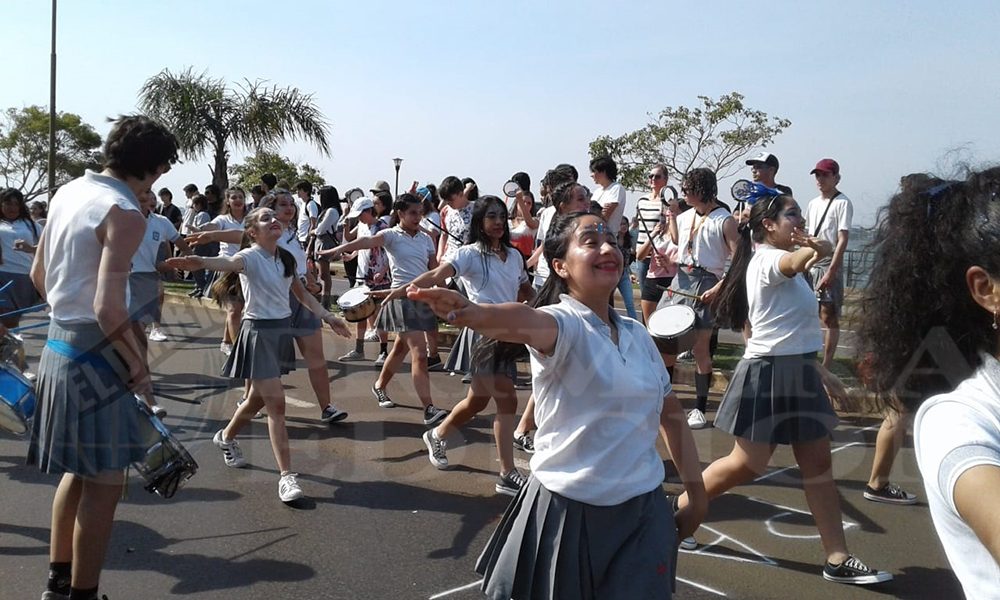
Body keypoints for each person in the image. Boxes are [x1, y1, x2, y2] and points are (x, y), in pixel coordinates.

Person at [408, 211, 707, 599]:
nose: (607, 249)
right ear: (560, 266)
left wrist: (697, 495)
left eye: (612, 241)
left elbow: (671, 415)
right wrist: (475, 313)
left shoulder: (637, 334)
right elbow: (522, 319)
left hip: (644, 510)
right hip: (567, 512)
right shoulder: (561, 324)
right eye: (590, 241)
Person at [681, 190, 892, 586]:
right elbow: (794, 262)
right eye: (791, 214)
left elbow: (792, 331)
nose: (799, 220)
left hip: (797, 372)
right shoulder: (767, 261)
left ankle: (837, 557)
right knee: (746, 464)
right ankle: (675, 515)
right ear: (768, 225)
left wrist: (819, 371)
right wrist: (820, 249)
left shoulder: (785, 265)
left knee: (818, 466)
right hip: (767, 374)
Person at [27, 114, 178, 600]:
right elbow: (108, 308)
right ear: (154, 166)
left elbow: (37, 275)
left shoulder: (68, 192)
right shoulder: (125, 211)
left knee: (78, 471)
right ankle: (83, 594)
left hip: (57, 345)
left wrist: (66, 310)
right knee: (106, 483)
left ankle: (58, 582)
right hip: (96, 354)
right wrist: (137, 365)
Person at [854, 170, 1000, 597]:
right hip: (942, 365)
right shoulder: (961, 424)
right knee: (898, 414)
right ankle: (877, 481)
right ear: (985, 288)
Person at [166, 207, 351, 502]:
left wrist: (328, 316)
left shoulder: (285, 258)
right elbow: (227, 262)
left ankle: (225, 437)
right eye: (266, 218)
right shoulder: (249, 257)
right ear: (252, 232)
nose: (274, 220)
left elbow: (302, 295)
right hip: (258, 333)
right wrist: (199, 262)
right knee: (276, 404)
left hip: (280, 332)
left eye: (274, 216)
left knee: (256, 400)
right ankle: (286, 476)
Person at [385, 196, 534, 495]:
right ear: (479, 221)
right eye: (491, 216)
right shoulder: (468, 254)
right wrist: (403, 290)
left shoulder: (514, 256)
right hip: (483, 335)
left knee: (477, 402)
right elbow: (436, 275)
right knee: (507, 400)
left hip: (508, 333)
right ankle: (507, 473)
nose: (498, 222)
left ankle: (438, 435)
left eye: (501, 216)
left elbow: (524, 289)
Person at [188, 191, 350, 423]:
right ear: (271, 209)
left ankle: (327, 407)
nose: (289, 208)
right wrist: (210, 236)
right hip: (271, 303)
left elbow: (298, 267)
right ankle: (247, 400)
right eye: (283, 204)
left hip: (301, 300)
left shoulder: (292, 233)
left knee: (316, 357)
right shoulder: (266, 233)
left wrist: (310, 279)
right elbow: (238, 234)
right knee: (262, 362)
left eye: (292, 204)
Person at [322, 193, 449, 425]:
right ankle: (429, 408)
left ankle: (379, 385)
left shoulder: (426, 239)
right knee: (419, 354)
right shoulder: (391, 235)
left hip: (423, 299)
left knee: (399, 350)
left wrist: (448, 295)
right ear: (400, 214)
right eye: (412, 213)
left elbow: (434, 269)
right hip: (401, 300)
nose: (417, 217)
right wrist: (337, 249)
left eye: (420, 213)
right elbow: (365, 242)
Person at [665, 168, 739, 429]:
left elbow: (739, 260)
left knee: (700, 349)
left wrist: (719, 288)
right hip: (681, 279)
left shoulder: (725, 220)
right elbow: (677, 241)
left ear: (701, 189)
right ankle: (664, 400)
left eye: (687, 189)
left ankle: (699, 409)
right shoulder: (685, 216)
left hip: (708, 280)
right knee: (666, 345)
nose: (683, 193)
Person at [128, 189, 190, 413]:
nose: (148, 200)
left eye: (151, 197)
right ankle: (145, 396)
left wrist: (191, 260)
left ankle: (136, 384)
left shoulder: (161, 222)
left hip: (149, 280)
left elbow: (179, 242)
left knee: (138, 337)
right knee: (137, 338)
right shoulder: (123, 218)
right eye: (142, 197)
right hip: (125, 279)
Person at [804, 158, 852, 369]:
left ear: (836, 178)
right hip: (811, 260)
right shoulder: (813, 204)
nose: (820, 179)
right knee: (807, 311)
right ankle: (808, 358)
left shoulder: (842, 203)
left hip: (828, 262)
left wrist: (832, 270)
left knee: (828, 315)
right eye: (818, 175)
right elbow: (808, 235)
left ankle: (826, 364)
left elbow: (842, 238)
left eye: (825, 175)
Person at [190, 187, 249, 355]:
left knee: (241, 310)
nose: (238, 200)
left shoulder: (250, 219)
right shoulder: (223, 219)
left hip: (248, 268)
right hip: (227, 269)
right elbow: (213, 226)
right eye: (234, 197)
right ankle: (239, 351)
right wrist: (202, 229)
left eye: (240, 197)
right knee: (234, 310)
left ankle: (226, 341)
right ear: (227, 201)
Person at [335, 196, 391, 363]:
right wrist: (352, 255)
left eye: (361, 214)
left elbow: (391, 254)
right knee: (360, 314)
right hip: (363, 276)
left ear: (369, 211)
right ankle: (359, 350)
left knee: (380, 316)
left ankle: (383, 351)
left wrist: (383, 271)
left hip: (380, 280)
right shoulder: (362, 226)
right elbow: (361, 245)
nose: (359, 218)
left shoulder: (383, 228)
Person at [589, 155, 637, 320]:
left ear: (603, 171)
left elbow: (604, 216)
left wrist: (596, 220)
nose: (592, 175)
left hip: (608, 239)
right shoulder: (597, 192)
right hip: (595, 239)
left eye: (594, 171)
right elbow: (593, 214)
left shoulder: (616, 189)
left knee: (607, 287)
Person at [0, 187, 44, 328]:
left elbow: (49, 248)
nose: (12, 208)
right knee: (6, 318)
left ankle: (11, 341)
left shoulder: (32, 226)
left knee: (13, 320)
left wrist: (30, 249)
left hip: (23, 277)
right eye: (8, 203)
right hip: (2, 275)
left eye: (16, 204)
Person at [636, 201, 680, 326]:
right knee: (649, 326)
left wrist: (670, 262)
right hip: (653, 280)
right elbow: (640, 256)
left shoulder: (682, 234)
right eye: (666, 212)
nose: (668, 215)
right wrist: (653, 233)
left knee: (668, 326)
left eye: (672, 212)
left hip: (672, 281)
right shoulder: (658, 232)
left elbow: (687, 260)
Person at [635, 163, 672, 295]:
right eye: (651, 176)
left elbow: (669, 229)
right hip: (641, 251)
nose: (653, 179)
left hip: (658, 255)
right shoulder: (642, 201)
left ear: (665, 180)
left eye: (657, 176)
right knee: (644, 294)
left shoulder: (668, 202)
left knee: (657, 294)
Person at [312, 185, 342, 309]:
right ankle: (324, 302)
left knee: (324, 275)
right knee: (322, 274)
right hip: (321, 242)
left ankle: (325, 303)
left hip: (325, 242)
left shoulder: (332, 211)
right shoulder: (328, 210)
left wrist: (313, 231)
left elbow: (321, 229)